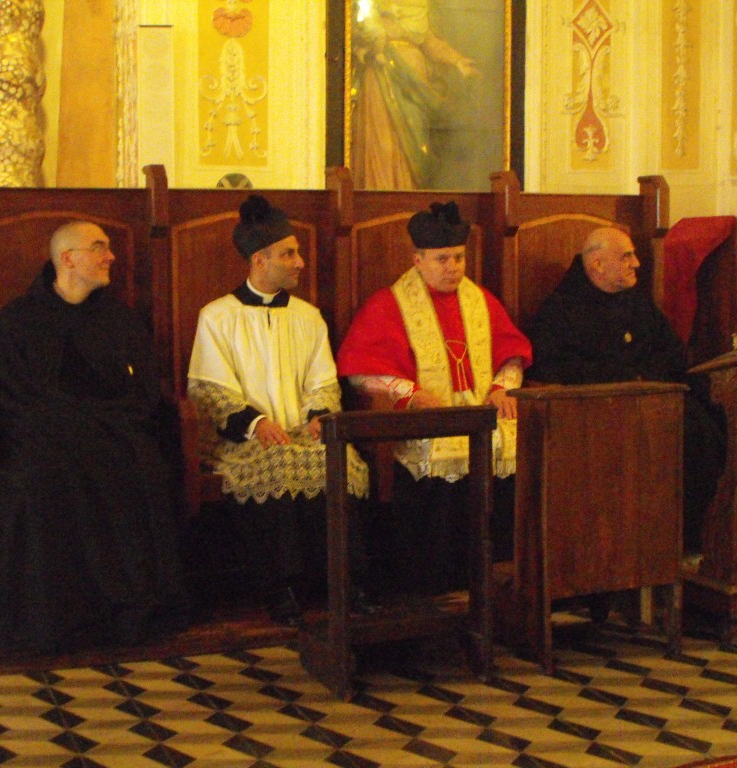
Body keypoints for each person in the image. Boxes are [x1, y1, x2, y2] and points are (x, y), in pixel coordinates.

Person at [0, 221, 191, 656]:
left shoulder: (118, 319)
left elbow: (143, 392)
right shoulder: (17, 320)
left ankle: (133, 606)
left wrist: (104, 424)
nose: (111, 257)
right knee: (37, 481)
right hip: (42, 438)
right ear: (68, 258)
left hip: (115, 433)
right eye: (99, 248)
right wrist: (79, 426)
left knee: (144, 465)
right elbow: (16, 398)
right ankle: (58, 615)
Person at [187, 195, 372, 625]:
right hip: (246, 439)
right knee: (276, 460)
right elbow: (211, 388)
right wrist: (256, 423)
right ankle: (281, 587)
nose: (300, 262)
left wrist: (315, 418)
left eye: (297, 252)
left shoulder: (309, 317)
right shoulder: (217, 316)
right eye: (289, 253)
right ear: (259, 260)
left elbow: (322, 380)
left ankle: (348, 582)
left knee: (338, 460)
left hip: (302, 430)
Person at [337, 201, 532, 594]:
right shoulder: (391, 303)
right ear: (418, 259)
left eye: (459, 258)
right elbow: (361, 369)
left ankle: (502, 575)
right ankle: (437, 583)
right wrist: (408, 393)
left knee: (518, 446)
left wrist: (500, 388)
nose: (453, 268)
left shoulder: (480, 300)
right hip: (425, 418)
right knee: (439, 451)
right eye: (442, 259)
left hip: (480, 411)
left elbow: (511, 351)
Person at [526, 226, 727, 552]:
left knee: (708, 425)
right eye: (626, 257)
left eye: (633, 254)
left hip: (658, 402)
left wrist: (648, 378)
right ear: (597, 264)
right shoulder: (562, 309)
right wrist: (627, 378)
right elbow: (554, 368)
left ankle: (687, 542)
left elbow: (674, 353)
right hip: (600, 412)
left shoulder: (637, 303)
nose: (636, 263)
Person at [351, 0, 478, 189]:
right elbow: (358, 35)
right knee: (382, 140)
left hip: (414, 81)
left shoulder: (416, 5)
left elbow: (428, 41)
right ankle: (378, 192)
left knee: (413, 142)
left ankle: (407, 197)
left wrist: (457, 60)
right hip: (380, 75)